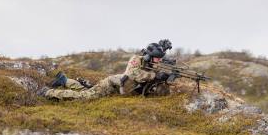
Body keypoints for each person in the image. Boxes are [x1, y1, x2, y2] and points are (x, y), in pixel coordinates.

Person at [40, 39, 172, 101]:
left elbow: (155, 59)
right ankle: (48, 92)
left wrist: (163, 49)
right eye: (157, 58)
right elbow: (134, 73)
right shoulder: (136, 59)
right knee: (84, 97)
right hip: (111, 84)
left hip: (120, 87)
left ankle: (65, 80)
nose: (159, 61)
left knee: (86, 90)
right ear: (149, 56)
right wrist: (155, 76)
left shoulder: (150, 61)